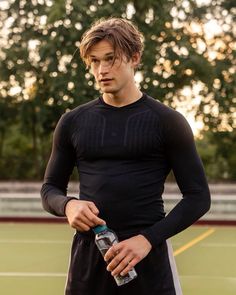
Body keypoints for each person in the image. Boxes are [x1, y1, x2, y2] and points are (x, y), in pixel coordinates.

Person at [41, 17, 211, 295]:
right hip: (89, 261)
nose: (101, 70)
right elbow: (50, 190)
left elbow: (198, 197)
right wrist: (68, 205)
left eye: (111, 59)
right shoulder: (72, 122)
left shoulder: (168, 121)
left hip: (148, 259)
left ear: (134, 58)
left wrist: (147, 239)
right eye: (94, 61)